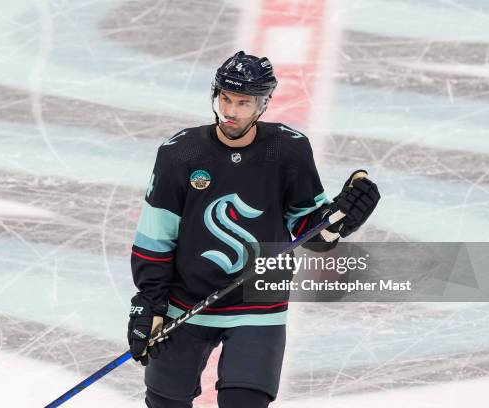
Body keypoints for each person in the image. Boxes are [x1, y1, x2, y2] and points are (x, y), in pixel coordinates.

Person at [127, 51, 380, 408]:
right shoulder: (180, 153)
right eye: (225, 99)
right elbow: (156, 235)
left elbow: (310, 229)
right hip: (186, 301)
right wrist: (149, 303)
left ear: (263, 104)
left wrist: (338, 220)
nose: (230, 111)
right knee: (164, 401)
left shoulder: (287, 149)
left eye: (243, 102)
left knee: (244, 402)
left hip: (259, 302)